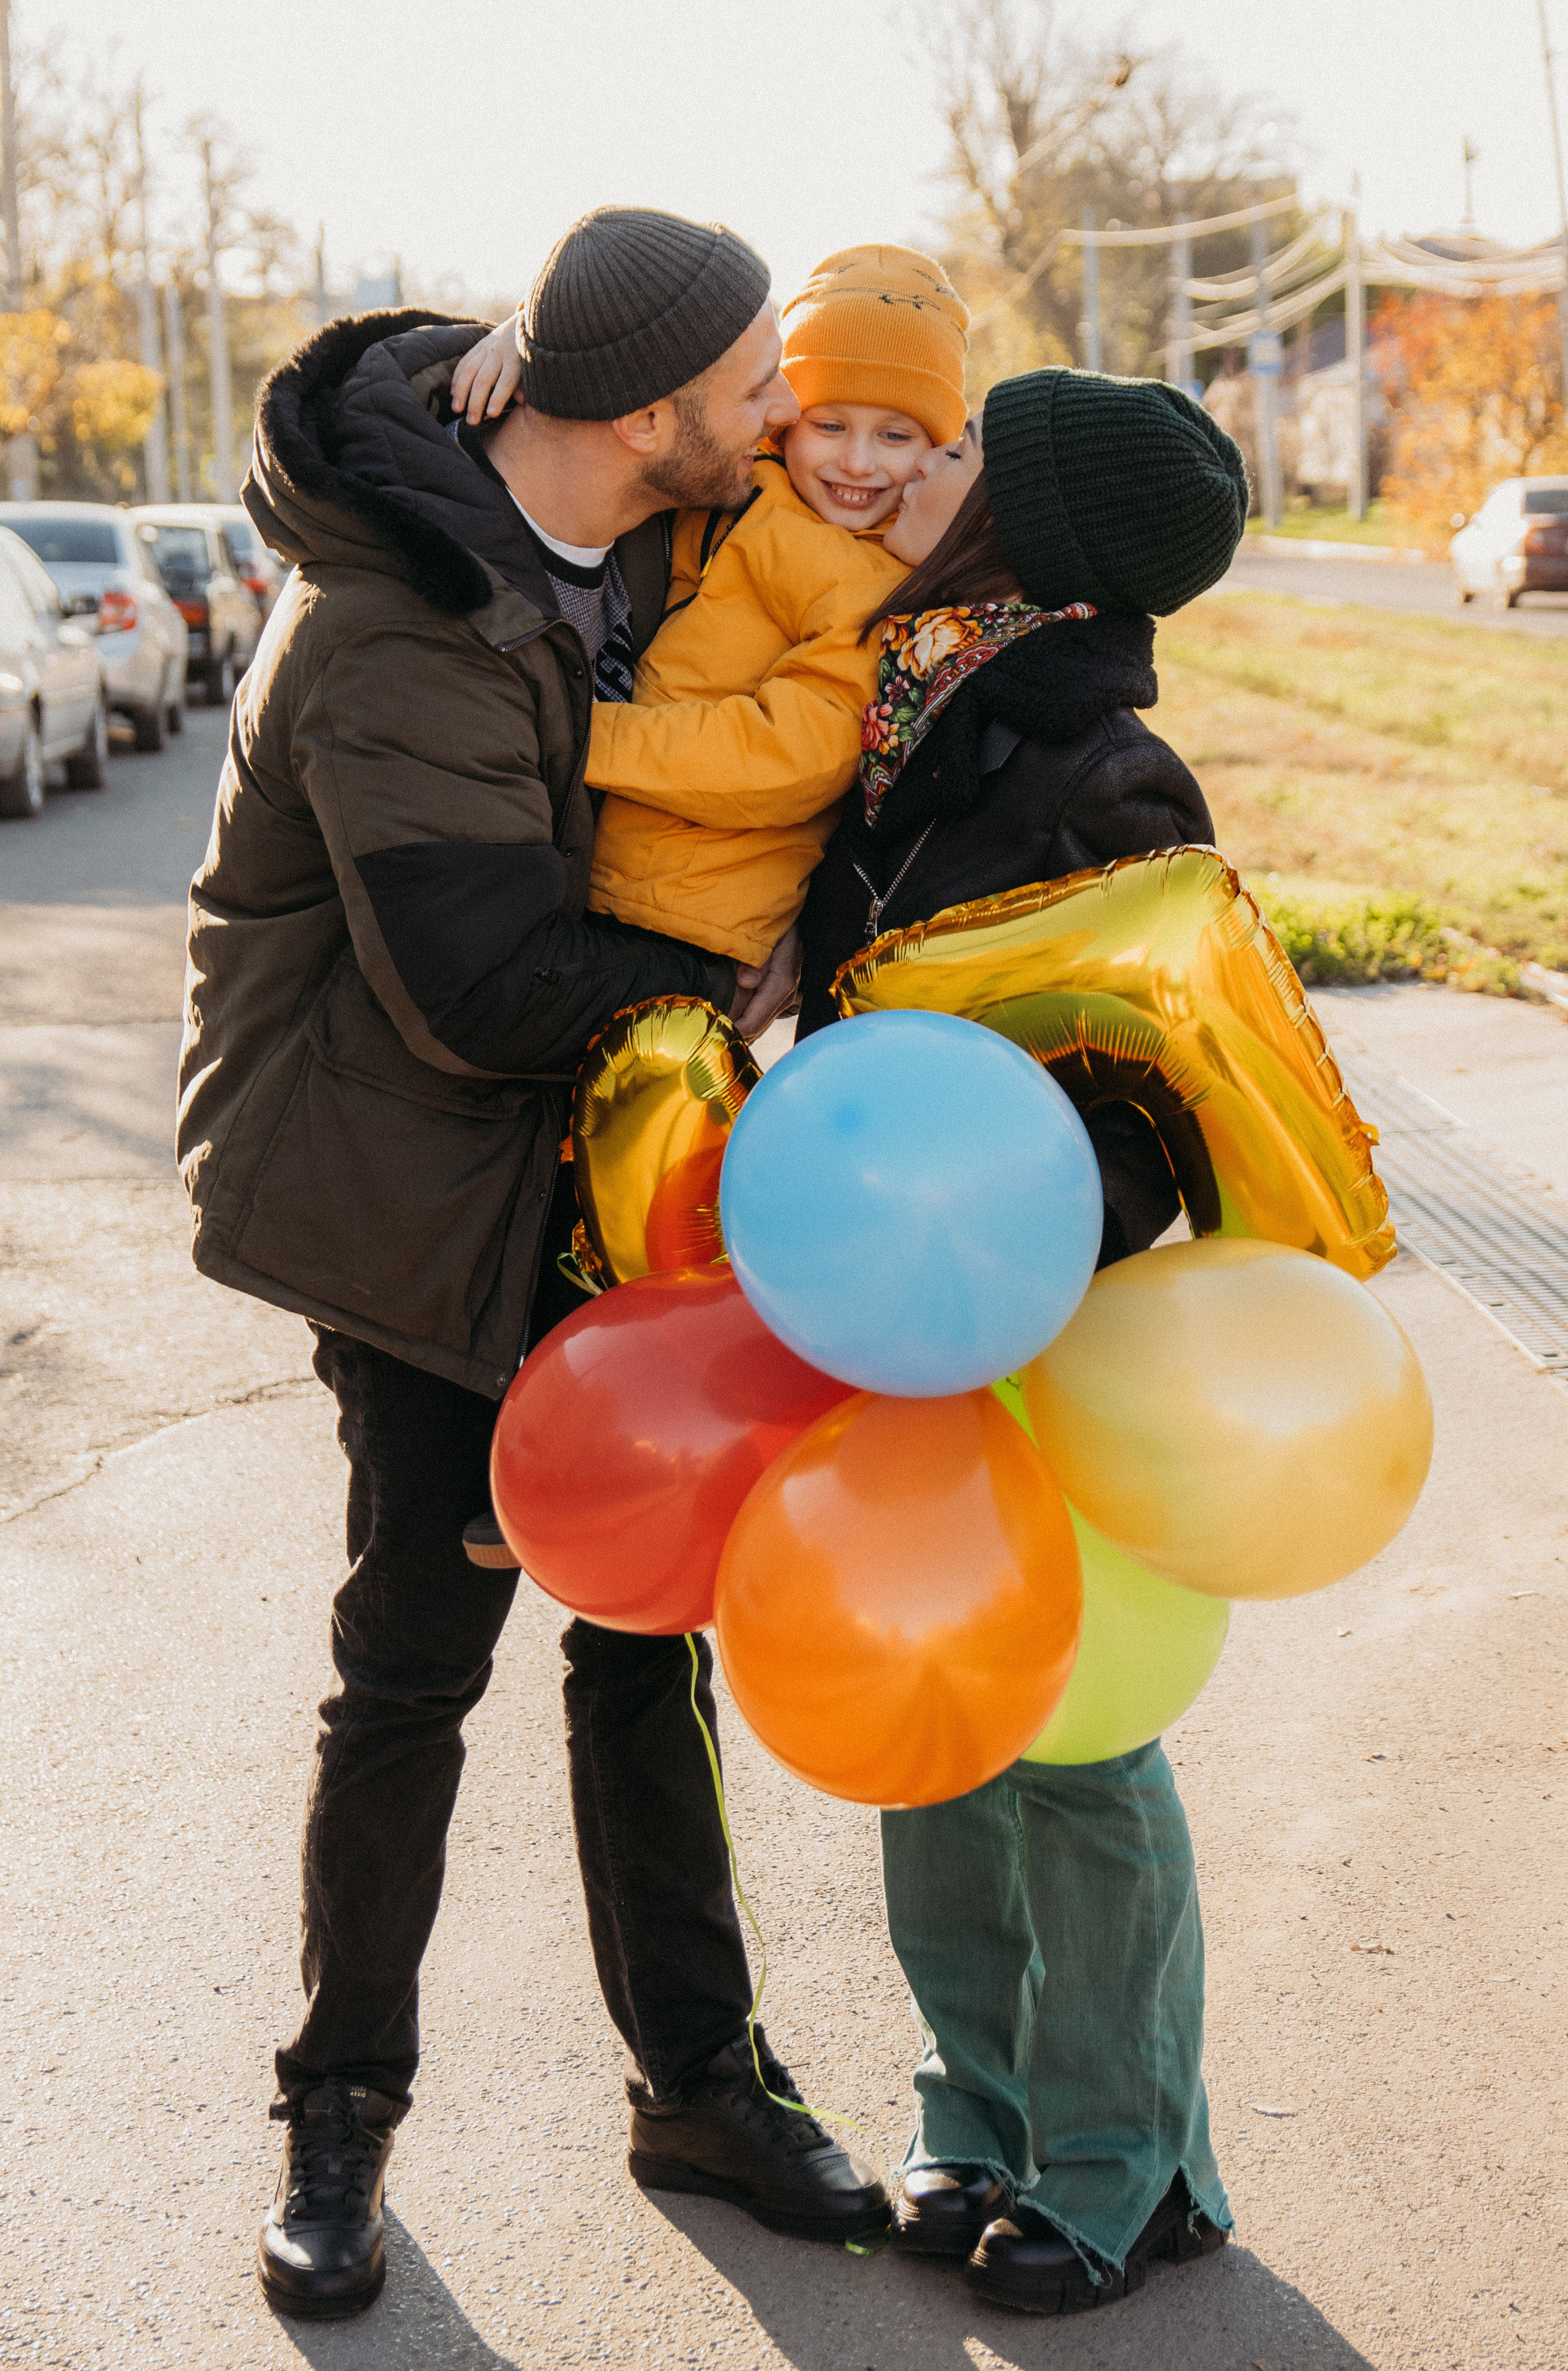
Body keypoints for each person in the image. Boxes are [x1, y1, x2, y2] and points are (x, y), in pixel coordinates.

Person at [177, 205, 888, 2327]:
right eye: (751, 385)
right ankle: (337, 2121)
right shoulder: (388, 624)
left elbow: (906, 504)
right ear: (647, 415)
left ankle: (701, 2088)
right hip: (411, 1197)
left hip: (599, 1166)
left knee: (646, 1634)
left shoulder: (651, 523)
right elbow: (482, 984)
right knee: (417, 1662)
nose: (784, 414)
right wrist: (717, 982)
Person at [797, 368, 1249, 2317]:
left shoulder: (1099, 767)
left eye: (966, 446)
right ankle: (973, 2110)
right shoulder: (898, 705)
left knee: (1074, 1738)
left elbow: (1163, 1100)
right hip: (880, 1307)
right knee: (932, 1717)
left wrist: (996, 1234)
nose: (924, 464)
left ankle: (1127, 2160)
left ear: (1031, 534)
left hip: (1034, 1321)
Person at [452, 245, 970, 968]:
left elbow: (788, 757)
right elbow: (675, 340)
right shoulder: (744, 477)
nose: (857, 462)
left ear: (936, 447)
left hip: (691, 911)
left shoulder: (880, 587)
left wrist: (585, 736)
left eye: (896, 435)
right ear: (785, 415)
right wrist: (529, 337)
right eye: (829, 425)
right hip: (603, 871)